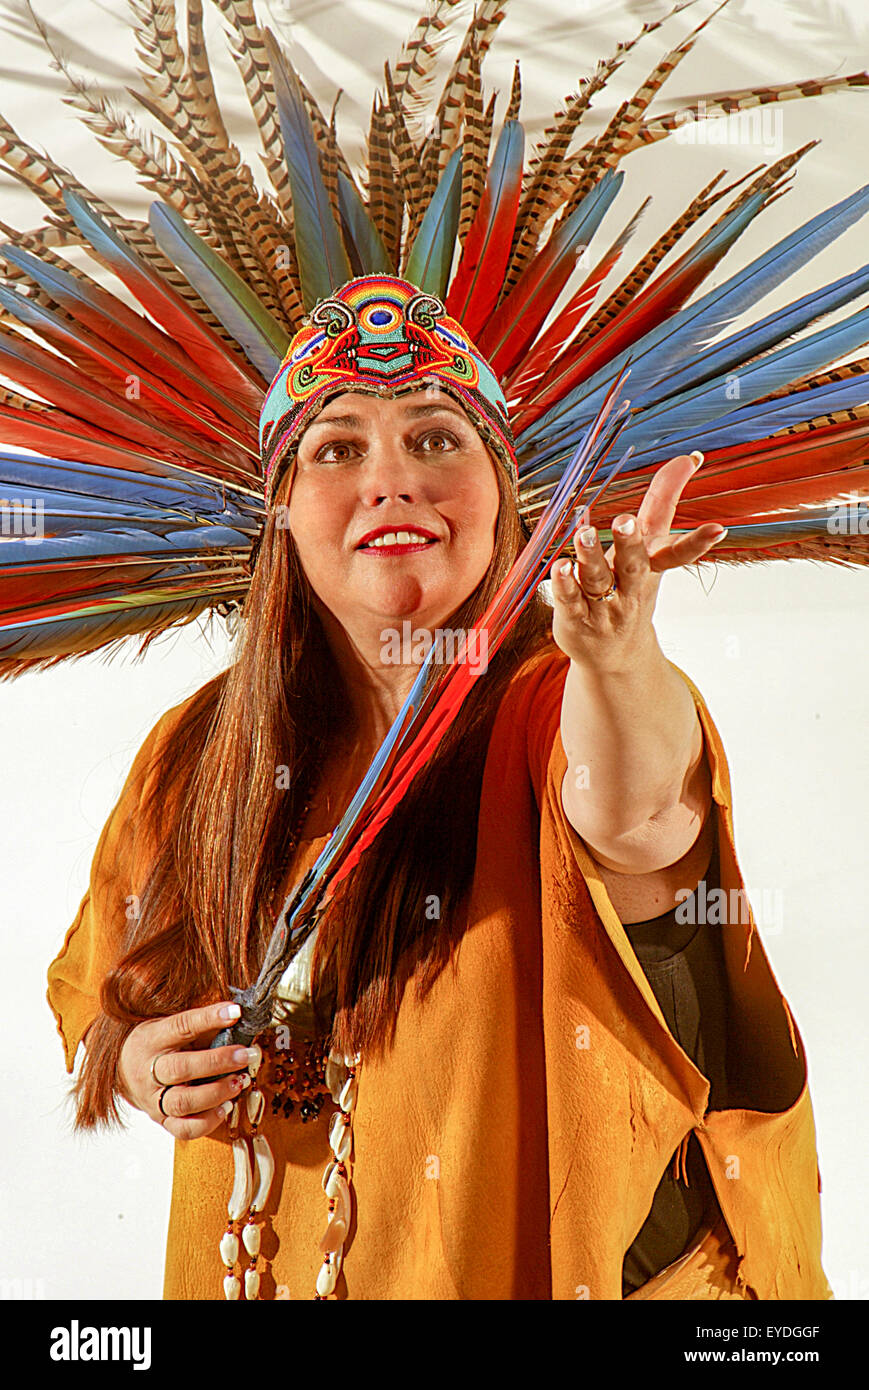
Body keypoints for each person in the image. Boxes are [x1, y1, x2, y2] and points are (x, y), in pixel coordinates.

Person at [46, 276, 832, 1301]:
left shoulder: (561, 705)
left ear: (503, 493)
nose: (390, 481)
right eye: (336, 448)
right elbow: (100, 989)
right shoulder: (197, 752)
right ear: (280, 508)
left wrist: (616, 657)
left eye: (434, 439)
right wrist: (140, 1062)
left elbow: (636, 816)